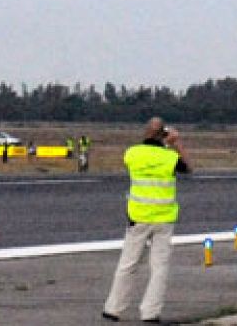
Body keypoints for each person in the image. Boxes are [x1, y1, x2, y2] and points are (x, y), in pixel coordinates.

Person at [102, 117, 191, 323]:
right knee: (159, 268)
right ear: (164, 134)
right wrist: (175, 143)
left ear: (146, 132)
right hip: (163, 218)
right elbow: (188, 167)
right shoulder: (169, 157)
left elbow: (137, 158)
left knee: (128, 264)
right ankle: (150, 312)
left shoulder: (132, 153)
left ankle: (113, 308)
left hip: (139, 217)